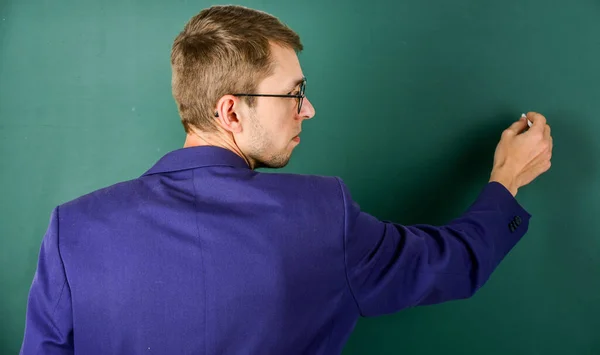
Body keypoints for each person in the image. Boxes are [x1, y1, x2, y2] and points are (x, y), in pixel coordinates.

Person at [19, 5, 553, 355]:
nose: (309, 109)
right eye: (293, 93)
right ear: (230, 112)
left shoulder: (73, 230)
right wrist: (506, 179)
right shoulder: (322, 216)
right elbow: (452, 264)